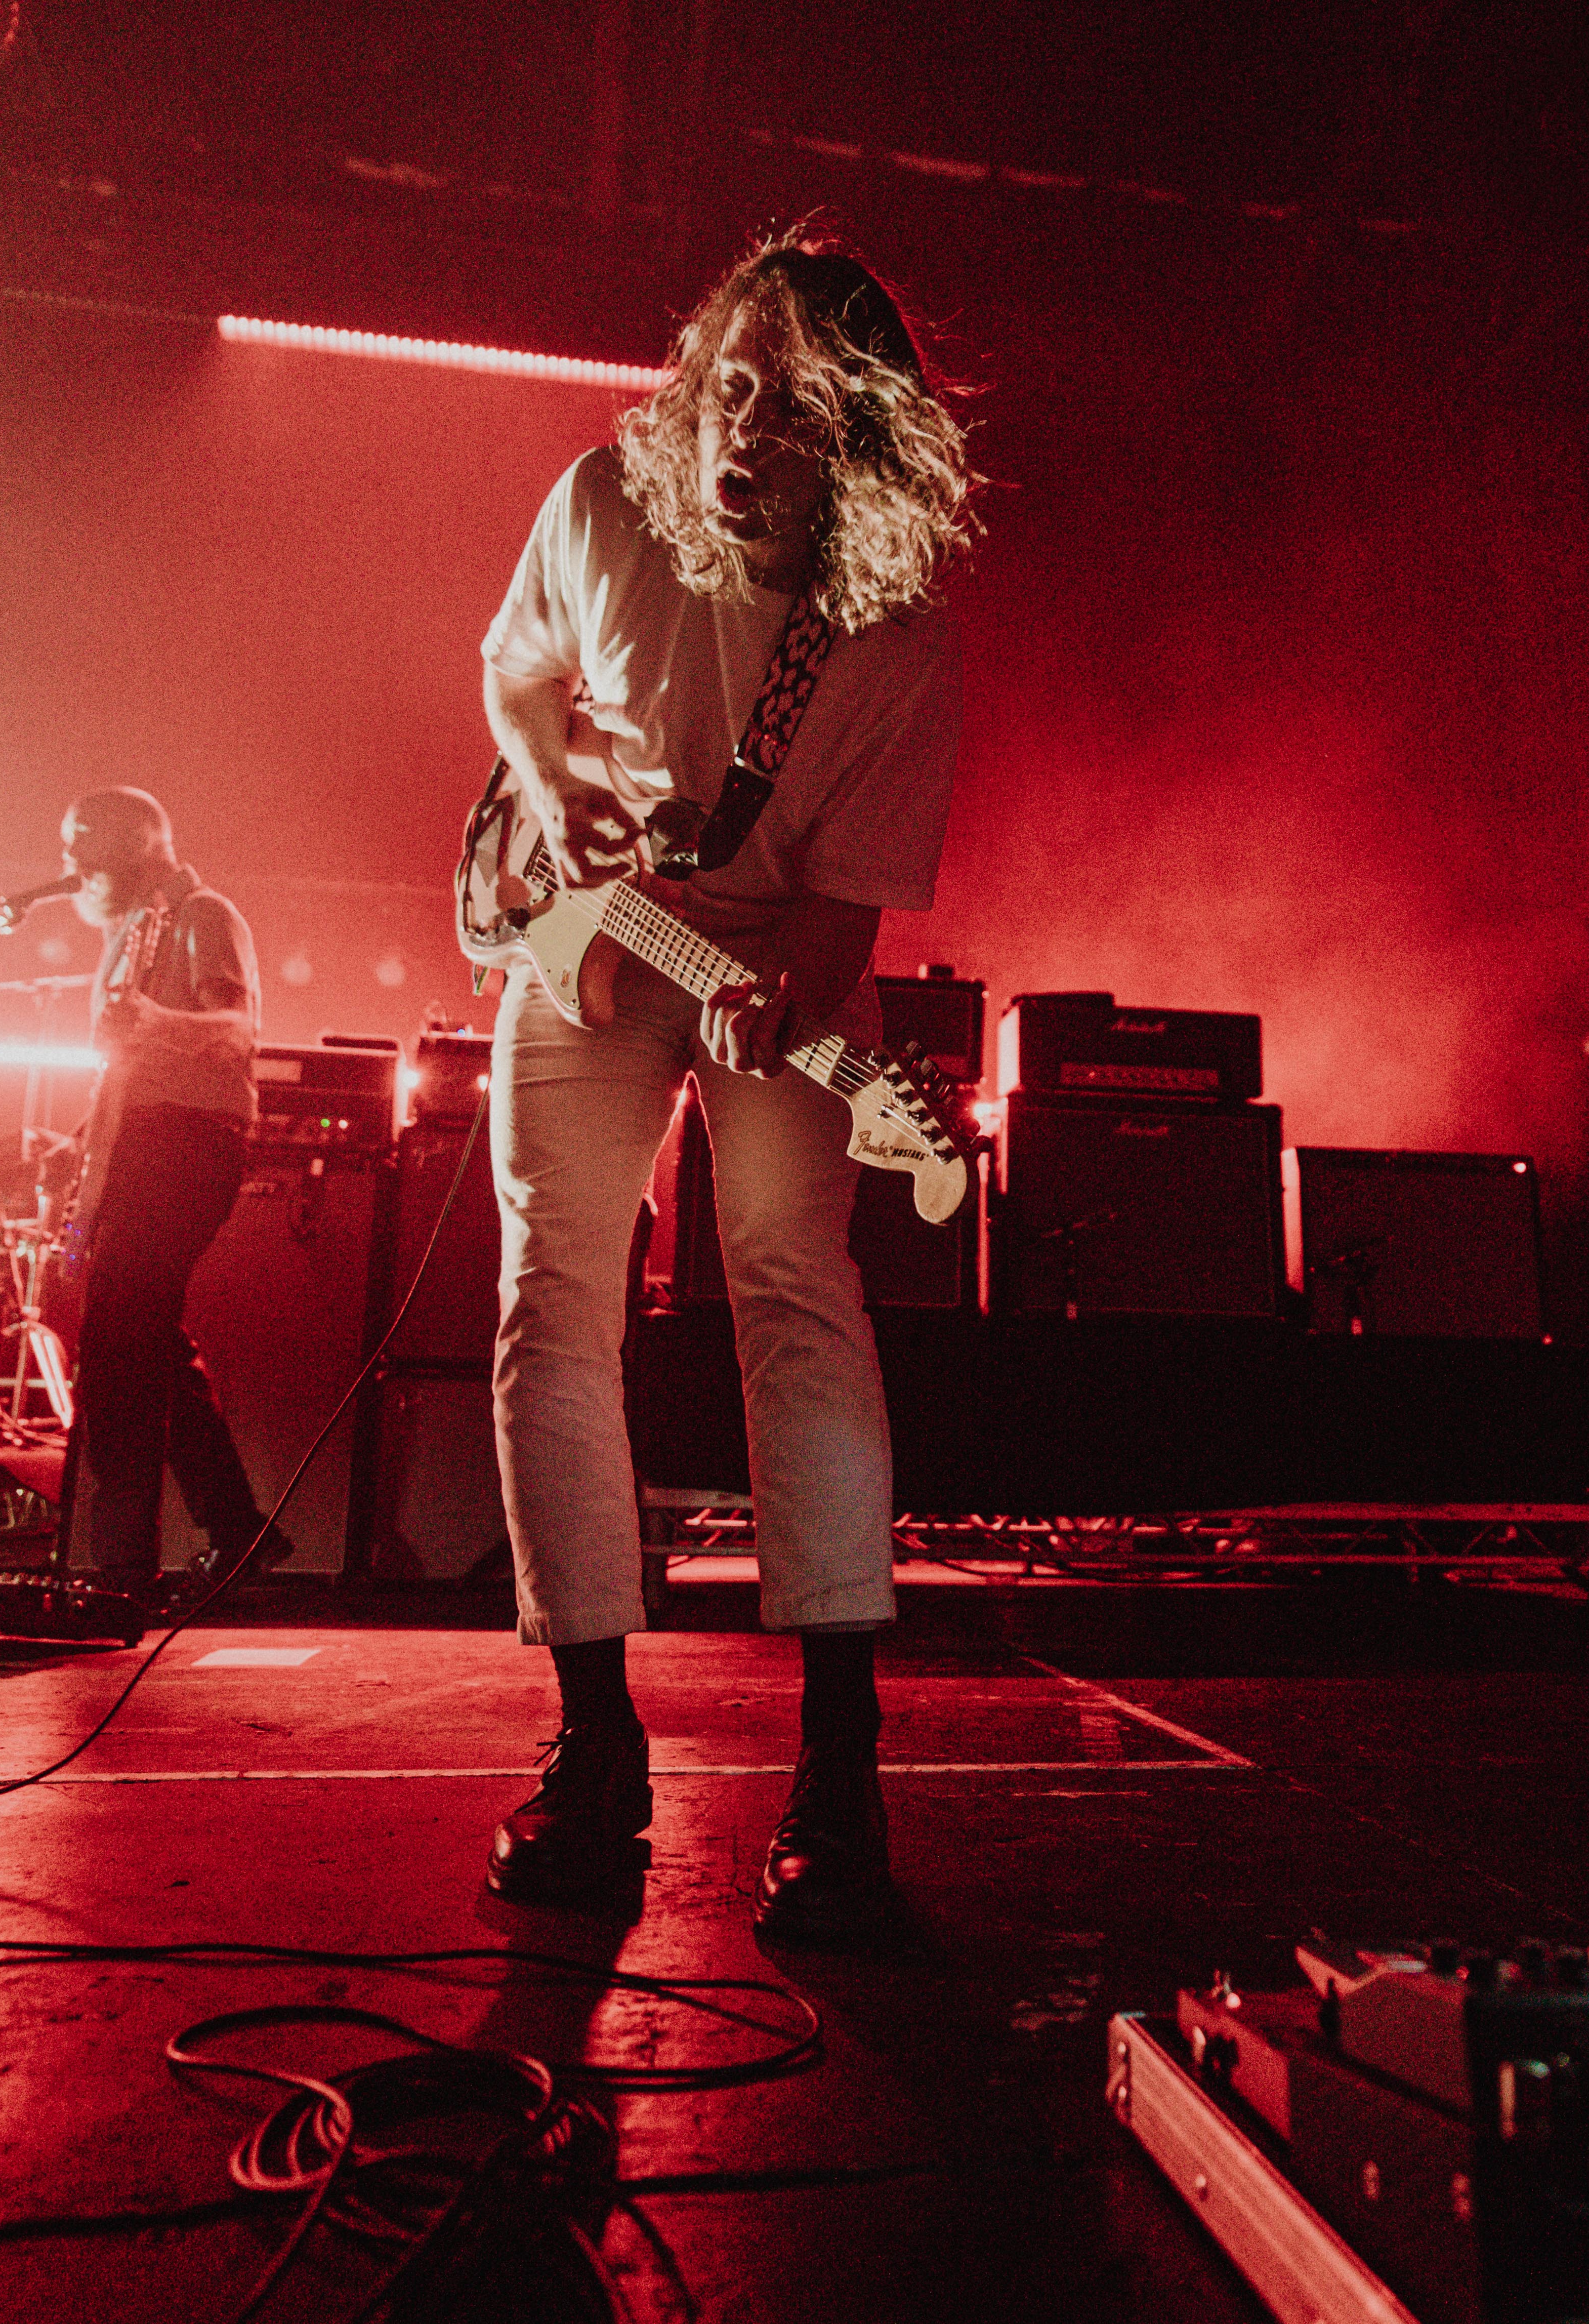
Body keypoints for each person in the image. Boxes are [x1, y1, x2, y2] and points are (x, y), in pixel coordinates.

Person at [479, 231, 978, 1941]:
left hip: (763, 953)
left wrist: (785, 999)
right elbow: (516, 668)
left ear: (867, 445)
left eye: (796, 413)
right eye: (735, 387)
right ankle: (592, 1743)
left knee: (792, 1285)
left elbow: (841, 917)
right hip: (589, 936)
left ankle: (839, 1768)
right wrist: (555, 788)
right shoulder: (604, 501)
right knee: (552, 1294)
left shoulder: (894, 642)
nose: (743, 435)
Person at [58, 787, 281, 1608]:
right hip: (140, 1147)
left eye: (82, 842)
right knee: (143, 1339)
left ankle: (121, 1570)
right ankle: (239, 1529)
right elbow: (128, 1068)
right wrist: (85, 1149)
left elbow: (237, 1030)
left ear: (135, 845)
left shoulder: (203, 915)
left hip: (187, 1145)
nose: (71, 862)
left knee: (116, 1346)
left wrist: (154, 1020)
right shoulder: (129, 932)